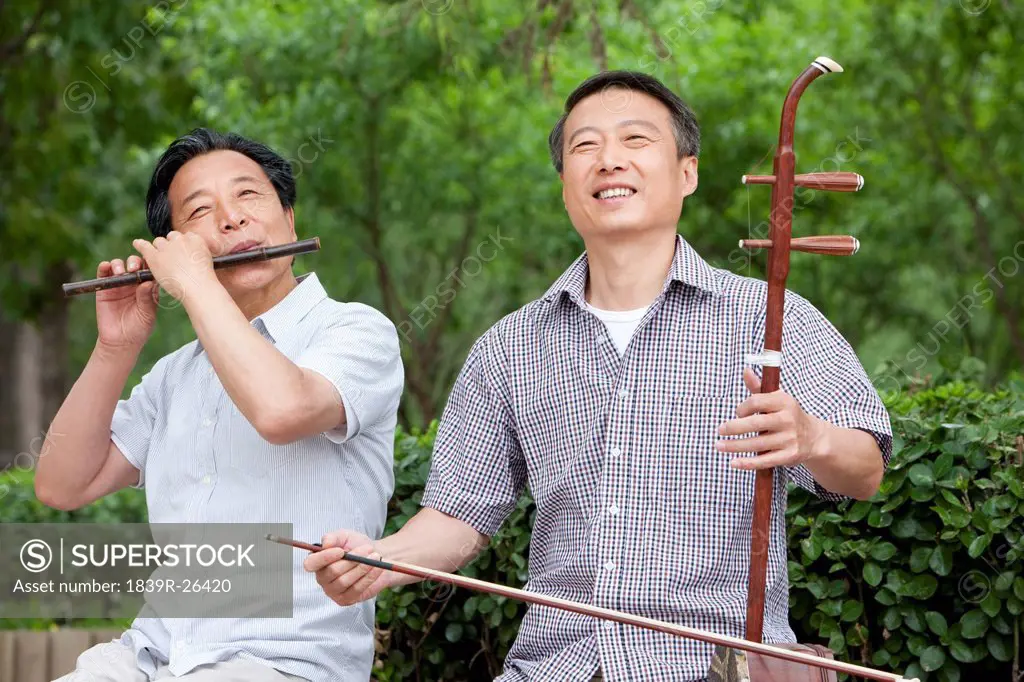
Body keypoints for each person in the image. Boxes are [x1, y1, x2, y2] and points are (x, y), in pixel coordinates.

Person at [304, 71, 891, 682]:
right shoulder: (510, 347)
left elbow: (866, 470)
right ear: (565, 185)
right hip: (554, 668)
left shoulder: (771, 318)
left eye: (635, 140)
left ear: (687, 173)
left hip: (710, 668)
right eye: (585, 147)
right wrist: (380, 558)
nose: (609, 161)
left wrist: (814, 437)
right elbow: (460, 516)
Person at [36, 128, 404, 682]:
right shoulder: (174, 375)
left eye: (249, 197)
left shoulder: (355, 331)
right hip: (149, 657)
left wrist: (196, 287)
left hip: (283, 665)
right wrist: (117, 346)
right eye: (201, 210)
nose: (231, 220)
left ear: (290, 220)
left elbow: (282, 412)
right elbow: (63, 485)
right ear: (172, 247)